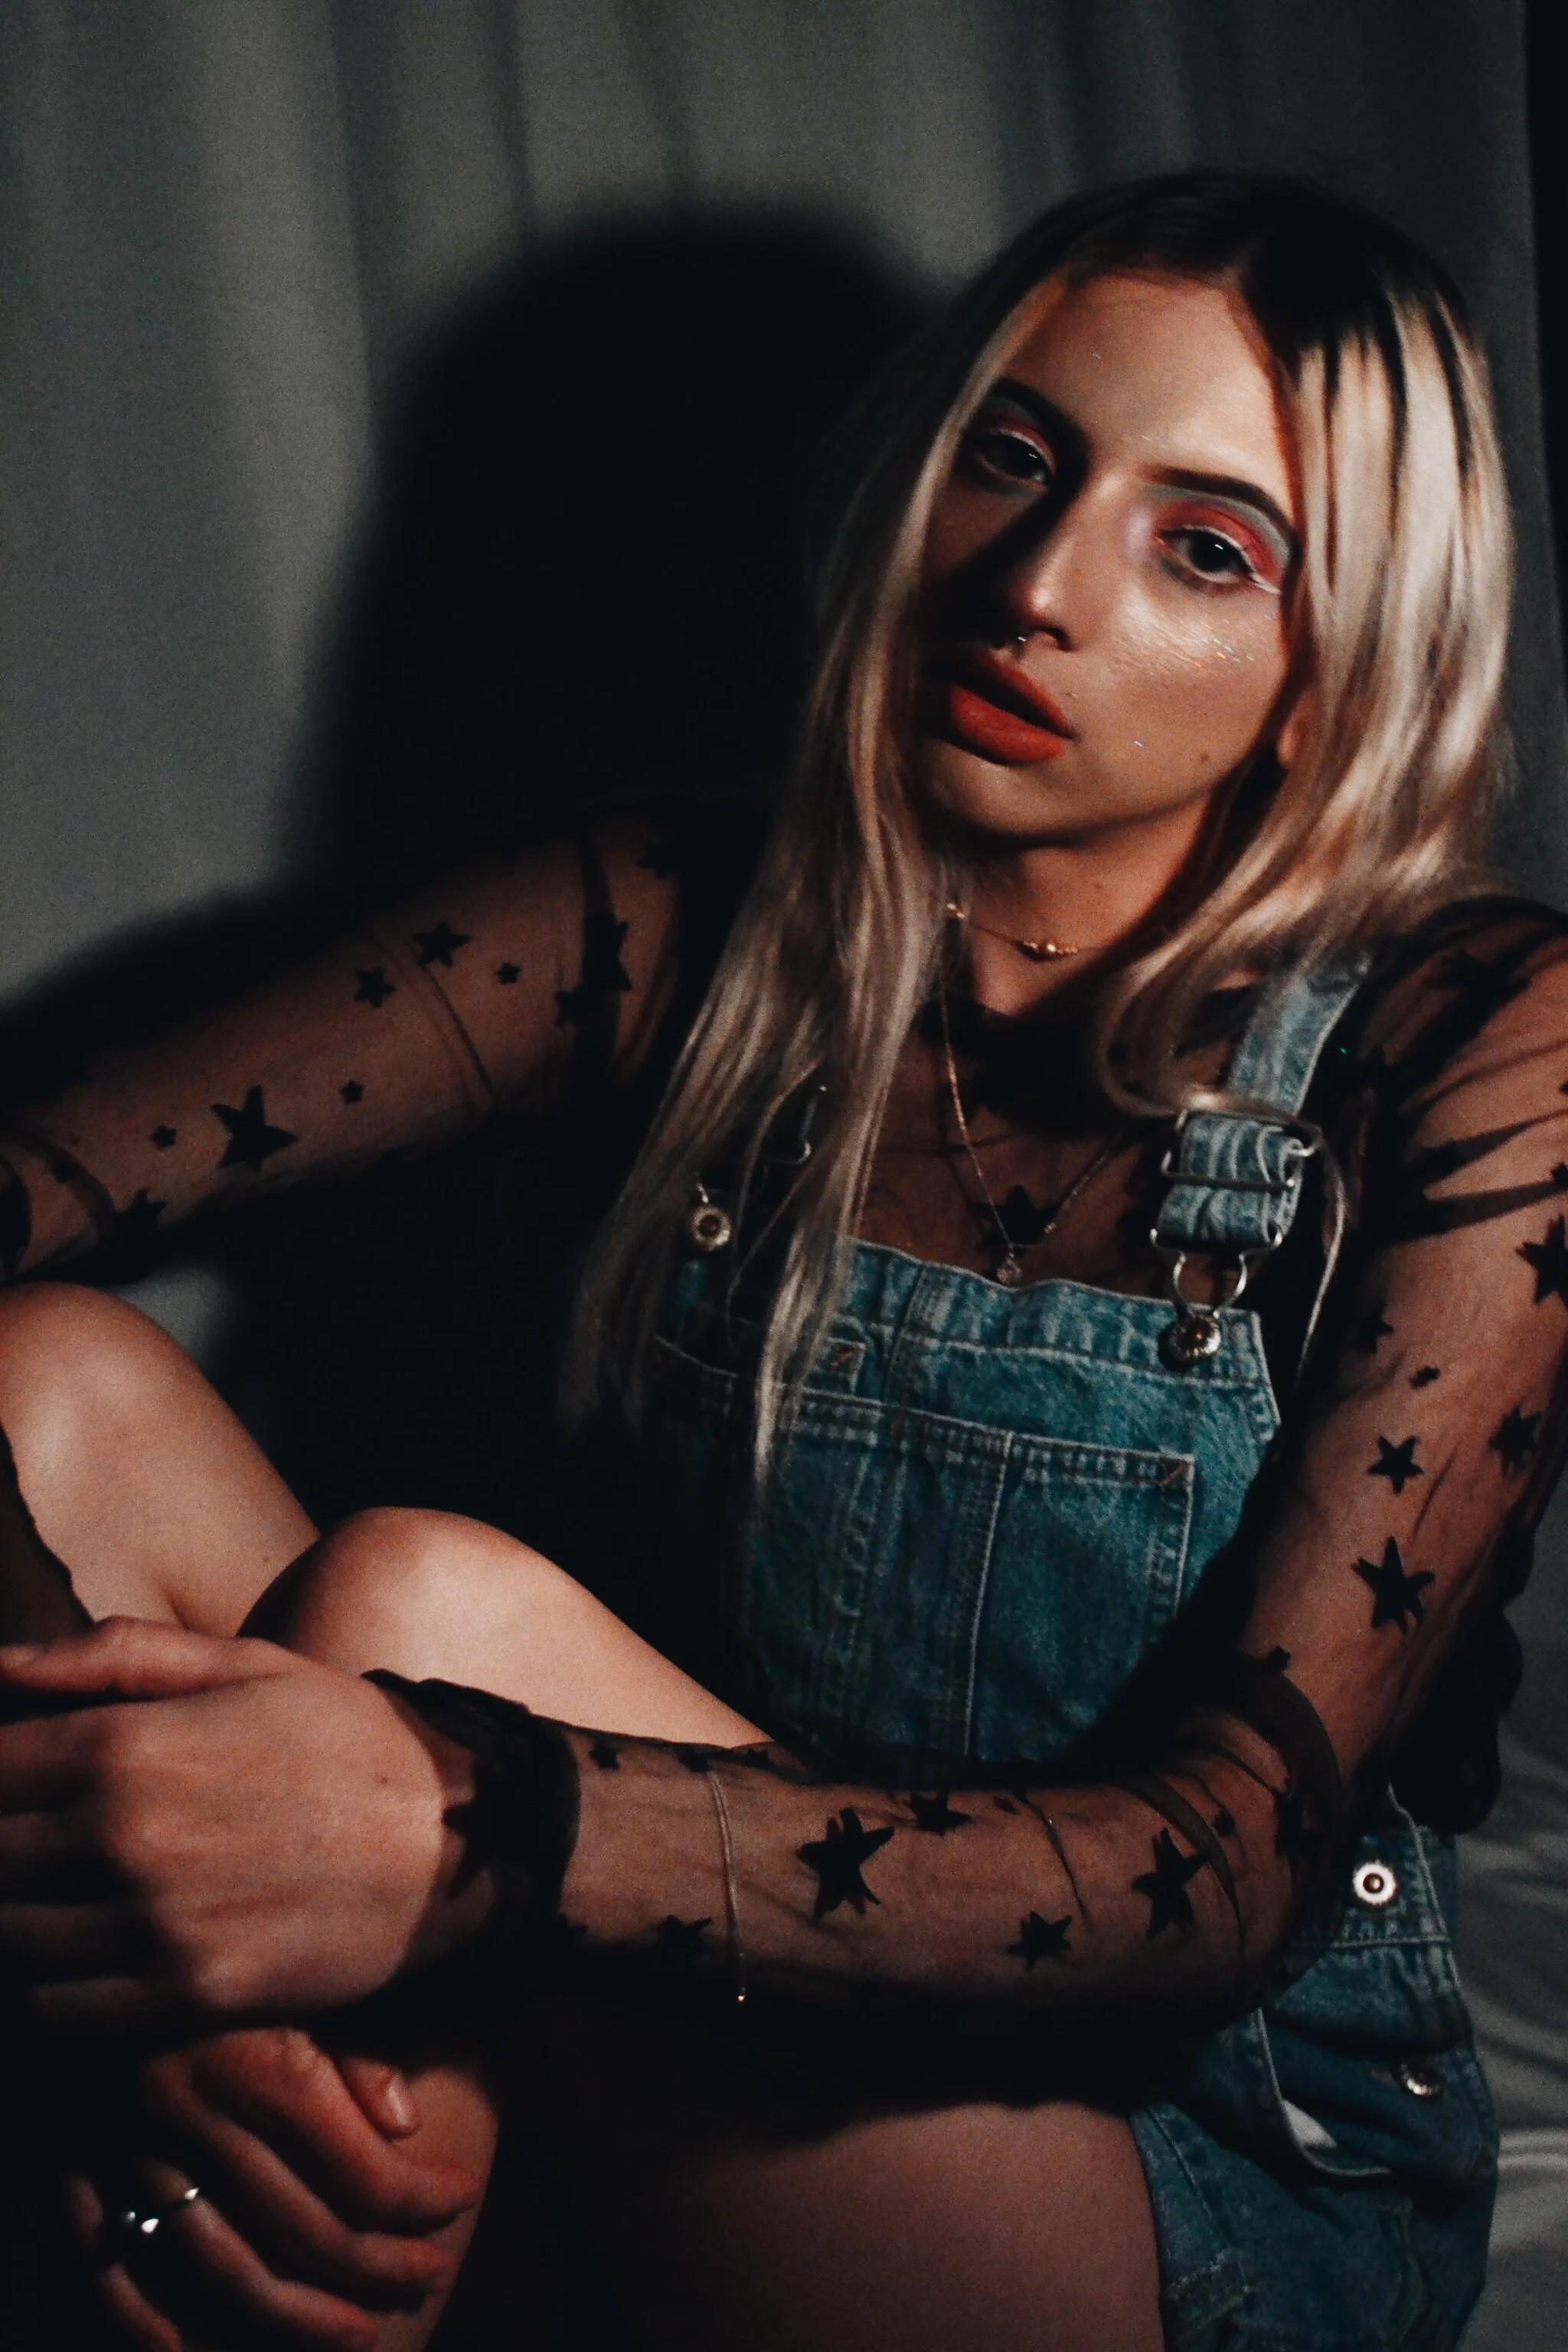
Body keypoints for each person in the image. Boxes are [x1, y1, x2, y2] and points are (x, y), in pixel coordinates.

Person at [0, 171, 1560, 2352]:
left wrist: (465, 1838)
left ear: (1336, 670)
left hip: (1180, 2163)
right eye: (1014, 458)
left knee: (418, 1610)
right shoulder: (683, 932)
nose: (1033, 586)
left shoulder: (1475, 1042)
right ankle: (321, 2169)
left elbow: (1217, 1875)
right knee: (52, 1376)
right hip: (667, 2020)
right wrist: (182, 2005)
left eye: (1206, 548)